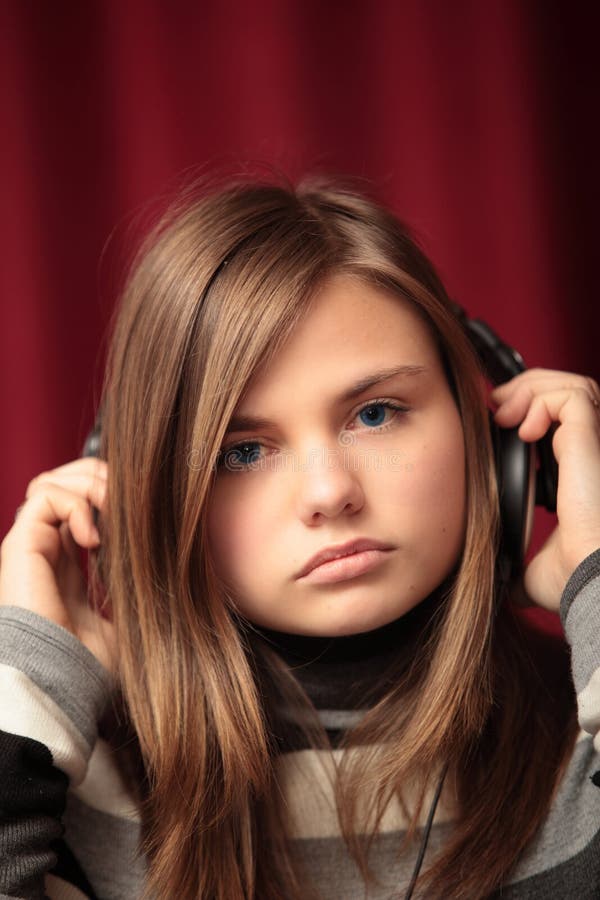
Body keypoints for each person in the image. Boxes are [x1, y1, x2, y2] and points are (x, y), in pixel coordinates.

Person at [0, 174, 599, 900]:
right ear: (147, 502)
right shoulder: (58, 786)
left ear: (495, 440)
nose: (329, 494)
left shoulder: (581, 739)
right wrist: (29, 672)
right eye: (241, 452)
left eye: (375, 413)